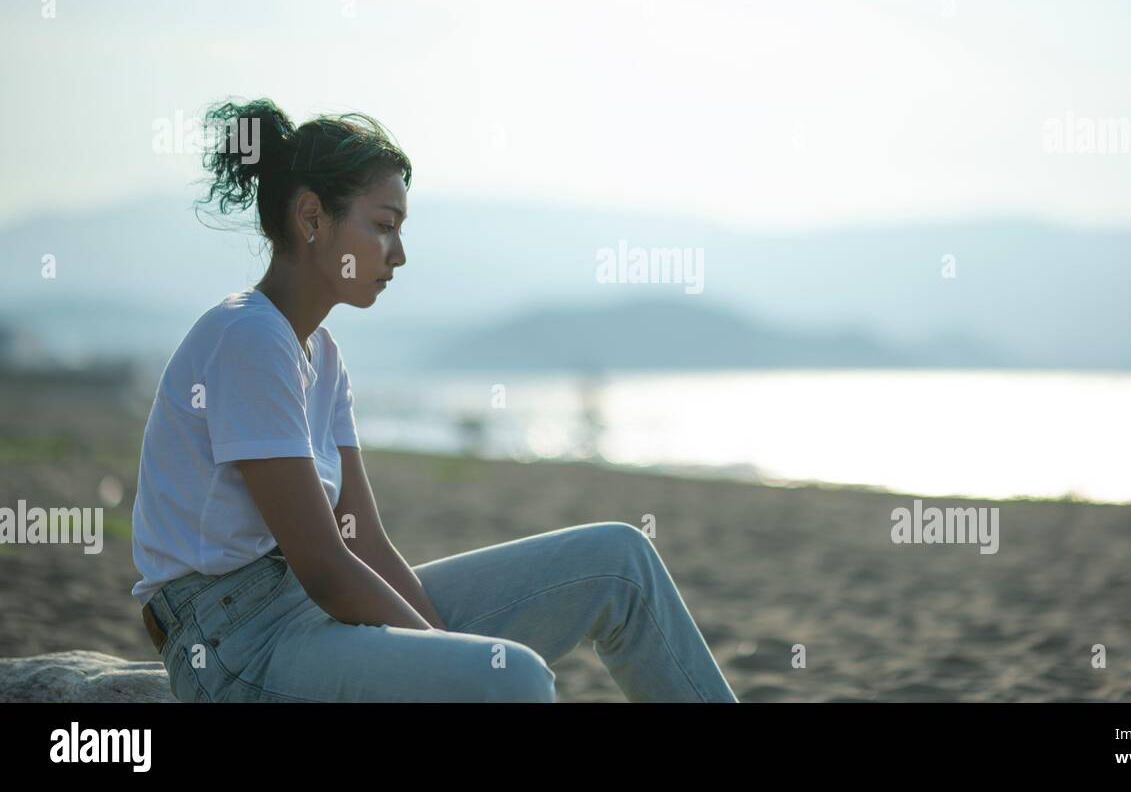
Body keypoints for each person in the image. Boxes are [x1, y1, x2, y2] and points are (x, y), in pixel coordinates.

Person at [130, 97, 739, 702]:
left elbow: (362, 543)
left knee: (619, 561)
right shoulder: (248, 337)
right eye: (383, 225)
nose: (398, 253)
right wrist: (450, 659)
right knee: (513, 678)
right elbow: (326, 569)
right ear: (312, 216)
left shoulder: (324, 355)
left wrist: (444, 654)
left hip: (310, 616)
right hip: (235, 646)